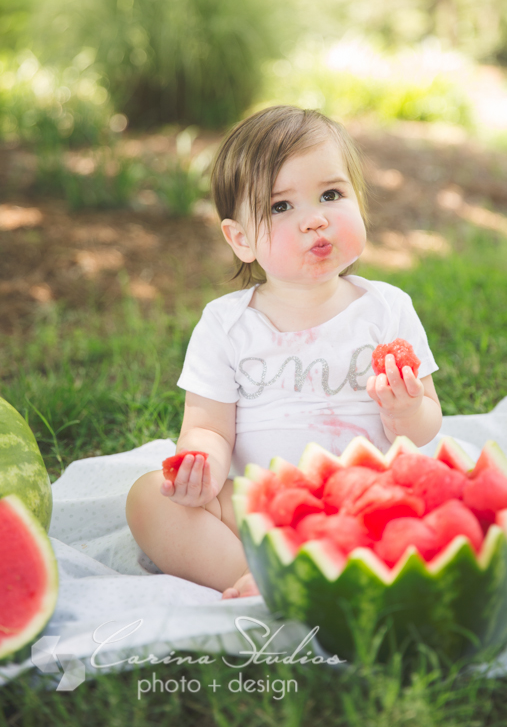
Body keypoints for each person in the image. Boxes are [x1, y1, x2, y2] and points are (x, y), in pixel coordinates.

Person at [126, 105, 442, 599]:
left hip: (367, 504)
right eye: (280, 207)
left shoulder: (386, 308)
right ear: (241, 239)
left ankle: (302, 576)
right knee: (148, 499)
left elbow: (426, 425)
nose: (315, 220)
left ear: (359, 202)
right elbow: (208, 425)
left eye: (331, 195)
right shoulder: (226, 325)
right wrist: (201, 468)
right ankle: (259, 579)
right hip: (265, 505)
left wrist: (406, 409)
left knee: (435, 503)